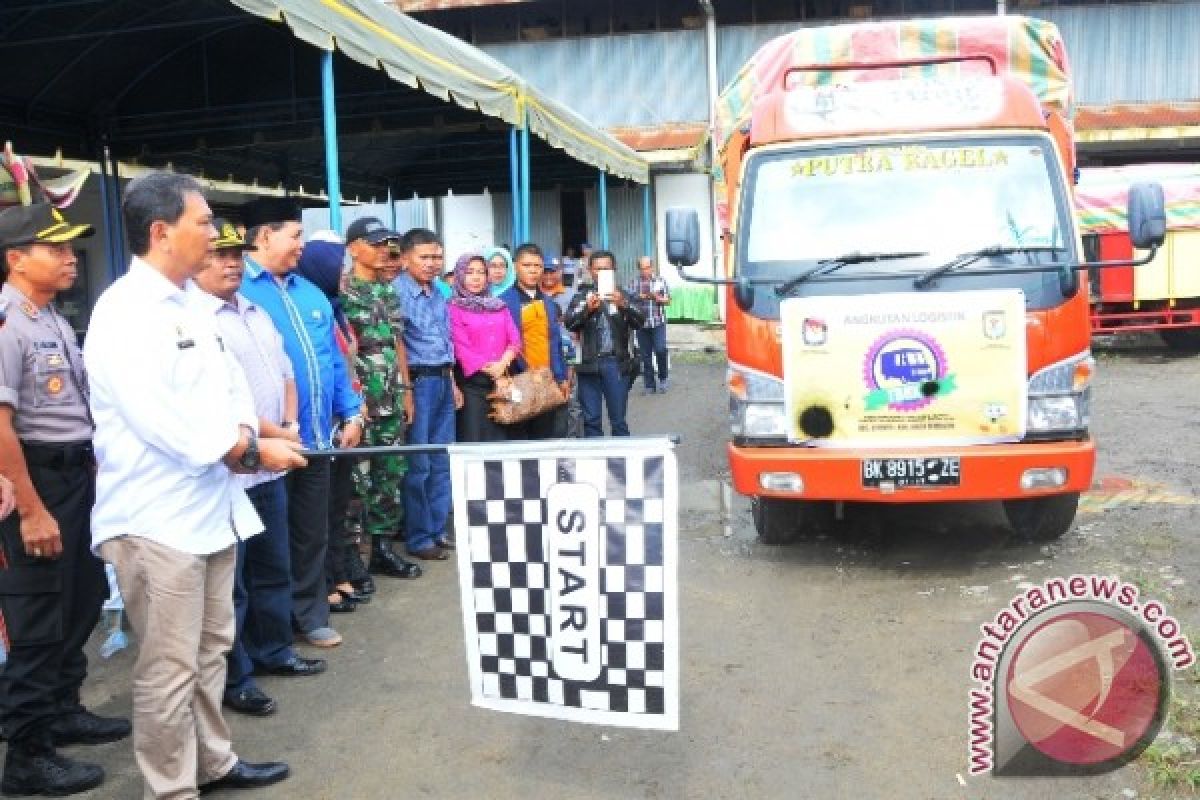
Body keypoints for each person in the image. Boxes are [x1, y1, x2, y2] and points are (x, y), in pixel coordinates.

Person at [85, 172, 305, 798]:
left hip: (211, 508)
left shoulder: (191, 305)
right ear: (161, 232)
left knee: (211, 650)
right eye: (204, 222)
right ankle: (171, 787)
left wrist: (261, 434)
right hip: (159, 521)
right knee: (168, 667)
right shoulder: (125, 312)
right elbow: (163, 420)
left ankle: (214, 762)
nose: (215, 234)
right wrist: (250, 449)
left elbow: (229, 392)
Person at [0, 203, 128, 797]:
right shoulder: (7, 321)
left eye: (71, 248)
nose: (70, 257)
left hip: (73, 479)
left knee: (79, 598)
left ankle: (63, 708)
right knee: (40, 618)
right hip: (37, 483)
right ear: (16, 259)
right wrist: (31, 509)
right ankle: (26, 755)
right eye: (55, 249)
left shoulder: (46, 317)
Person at [191, 220, 327, 720]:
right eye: (217, 255)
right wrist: (269, 436)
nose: (229, 263)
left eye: (234, 255)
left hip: (269, 466)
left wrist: (287, 424)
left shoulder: (255, 310)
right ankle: (236, 676)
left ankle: (275, 651)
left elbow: (287, 373)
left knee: (274, 567)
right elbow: (221, 403)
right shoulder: (194, 321)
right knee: (234, 582)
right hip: (232, 468)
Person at [239, 199, 364, 649]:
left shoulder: (311, 293)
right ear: (264, 236)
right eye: (295, 235)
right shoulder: (238, 292)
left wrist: (350, 409)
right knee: (269, 542)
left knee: (312, 532)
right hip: (262, 447)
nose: (302, 246)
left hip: (316, 439)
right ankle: (269, 629)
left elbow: (331, 361)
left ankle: (309, 615)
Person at [294, 231, 377, 608]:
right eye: (338, 266)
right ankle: (324, 583)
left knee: (339, 504)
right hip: (316, 426)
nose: (345, 273)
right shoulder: (305, 308)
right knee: (318, 514)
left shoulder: (334, 308)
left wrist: (353, 413)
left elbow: (343, 368)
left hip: (343, 421)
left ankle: (338, 573)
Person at [341, 217, 421, 579]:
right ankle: (352, 558)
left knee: (389, 475)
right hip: (359, 405)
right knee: (357, 479)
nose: (384, 251)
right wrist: (351, 405)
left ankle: (382, 549)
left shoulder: (388, 291)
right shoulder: (340, 291)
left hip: (389, 398)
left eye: (388, 243)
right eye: (375, 244)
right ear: (353, 247)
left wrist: (406, 391)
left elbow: (396, 342)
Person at [395, 228, 461, 561]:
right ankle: (419, 537)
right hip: (417, 384)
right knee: (418, 464)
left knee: (441, 459)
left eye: (437, 256)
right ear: (405, 258)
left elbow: (445, 342)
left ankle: (437, 530)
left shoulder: (439, 292)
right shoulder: (396, 293)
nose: (433, 263)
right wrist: (406, 391)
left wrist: (452, 381)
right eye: (425, 257)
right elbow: (399, 346)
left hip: (442, 381)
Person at [564, 250, 646, 437]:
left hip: (616, 364)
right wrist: (587, 310)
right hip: (588, 364)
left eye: (606, 269)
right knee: (591, 420)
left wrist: (623, 304)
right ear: (590, 270)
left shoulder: (624, 294)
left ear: (614, 269)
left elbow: (640, 320)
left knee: (618, 420)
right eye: (597, 269)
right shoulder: (582, 295)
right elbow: (570, 322)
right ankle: (596, 464)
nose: (601, 273)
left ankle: (622, 463)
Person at [448, 253, 521, 443]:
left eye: (481, 272)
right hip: (473, 386)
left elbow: (514, 339)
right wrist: (495, 373)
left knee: (503, 440)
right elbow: (461, 347)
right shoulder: (453, 308)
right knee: (475, 438)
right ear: (460, 275)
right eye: (469, 272)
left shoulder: (499, 306)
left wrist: (502, 365)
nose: (476, 277)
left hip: (503, 383)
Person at [499, 243, 570, 439]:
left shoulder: (548, 302)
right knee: (519, 440)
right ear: (515, 266)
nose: (533, 271)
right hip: (518, 381)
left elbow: (554, 343)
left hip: (546, 381)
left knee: (546, 438)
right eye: (527, 265)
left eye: (537, 266)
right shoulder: (503, 302)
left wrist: (561, 377)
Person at [628, 256, 672, 394]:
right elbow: (628, 301)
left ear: (652, 267)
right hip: (641, 324)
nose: (645, 271)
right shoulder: (634, 283)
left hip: (658, 322)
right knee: (645, 355)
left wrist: (658, 298)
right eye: (642, 268)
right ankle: (649, 385)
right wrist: (639, 296)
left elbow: (668, 301)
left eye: (647, 267)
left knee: (660, 350)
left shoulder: (660, 281)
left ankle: (663, 378)